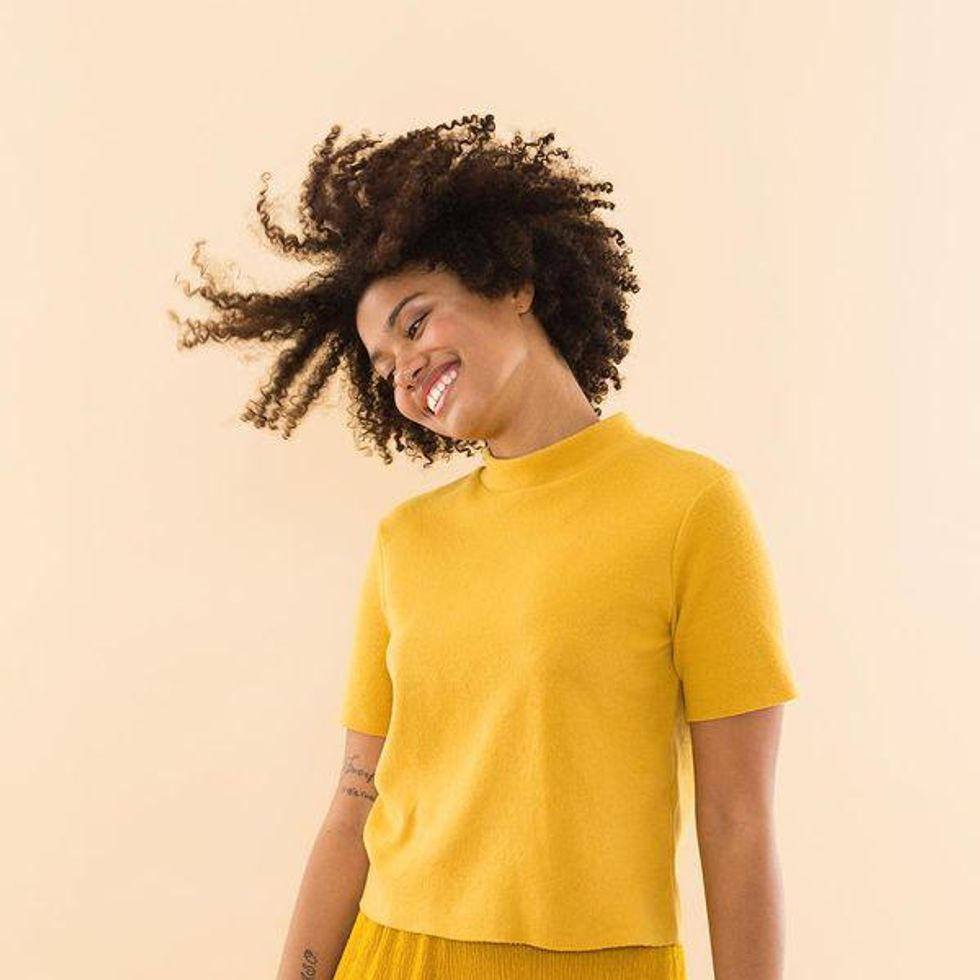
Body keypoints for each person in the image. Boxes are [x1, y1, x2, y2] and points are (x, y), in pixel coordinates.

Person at [171, 113, 800, 980]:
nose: (404, 370)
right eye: (383, 366)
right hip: (391, 956)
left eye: (415, 323)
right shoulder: (406, 541)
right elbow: (354, 806)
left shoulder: (692, 507)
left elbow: (737, 822)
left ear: (512, 284)